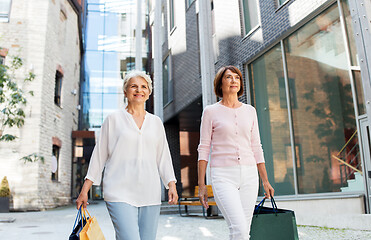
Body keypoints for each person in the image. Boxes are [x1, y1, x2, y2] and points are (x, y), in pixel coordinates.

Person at [76, 70, 178, 240]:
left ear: (149, 93)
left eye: (143, 87)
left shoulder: (156, 122)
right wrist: (85, 190)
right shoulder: (113, 119)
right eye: (134, 86)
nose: (139, 90)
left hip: (149, 192)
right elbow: (99, 155)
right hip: (119, 191)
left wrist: (171, 184)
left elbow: (163, 156)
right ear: (125, 92)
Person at [197, 65, 274, 240]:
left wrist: (265, 180)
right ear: (220, 83)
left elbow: (256, 146)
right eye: (229, 77)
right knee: (238, 228)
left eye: (237, 77)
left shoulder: (250, 111)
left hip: (249, 176)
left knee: (243, 231)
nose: (234, 80)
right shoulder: (210, 112)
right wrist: (202, 185)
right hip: (223, 176)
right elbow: (203, 148)